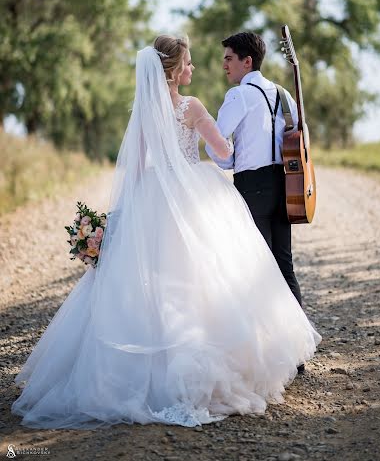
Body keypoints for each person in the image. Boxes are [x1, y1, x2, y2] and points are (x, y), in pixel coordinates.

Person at [11, 35, 320, 430]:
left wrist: (128, 211)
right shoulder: (193, 107)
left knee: (157, 281)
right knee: (207, 275)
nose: (193, 69)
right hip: (193, 192)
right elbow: (223, 153)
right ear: (175, 71)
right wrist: (233, 144)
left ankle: (142, 371)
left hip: (154, 194)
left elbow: (136, 168)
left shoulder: (143, 112)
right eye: (188, 63)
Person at [205, 32, 304, 367]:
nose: (224, 65)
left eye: (229, 58)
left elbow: (216, 142)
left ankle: (266, 357)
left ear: (247, 61)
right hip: (286, 185)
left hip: (253, 186)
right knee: (283, 264)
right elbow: (299, 143)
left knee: (254, 269)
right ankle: (297, 353)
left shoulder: (239, 95)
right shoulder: (284, 94)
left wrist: (229, 162)